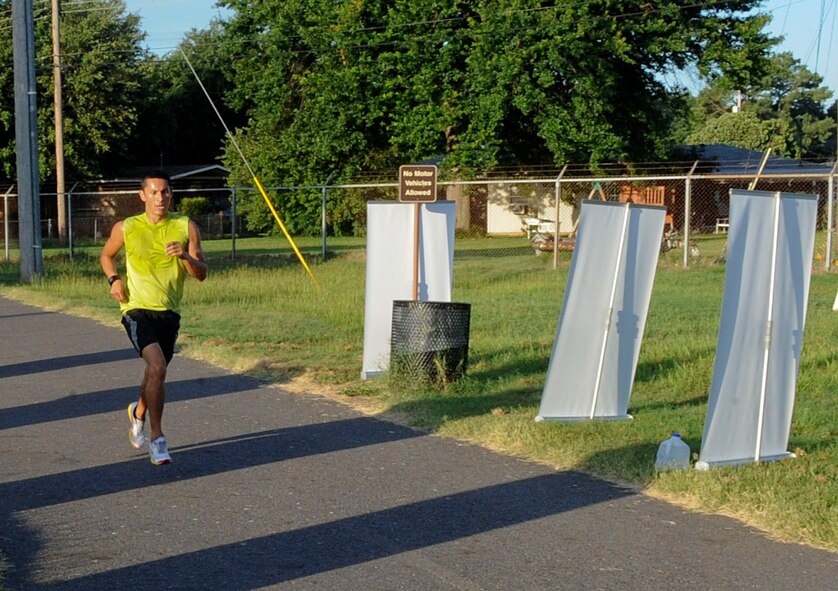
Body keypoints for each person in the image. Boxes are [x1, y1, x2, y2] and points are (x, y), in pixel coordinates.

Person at [100, 170, 208, 465]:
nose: (160, 198)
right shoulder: (127, 227)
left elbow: (201, 273)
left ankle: (138, 412)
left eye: (165, 192)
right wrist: (114, 280)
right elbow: (106, 255)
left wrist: (185, 256)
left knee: (154, 374)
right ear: (142, 195)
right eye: (154, 192)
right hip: (135, 308)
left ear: (170, 195)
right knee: (158, 367)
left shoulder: (185, 226)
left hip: (169, 311)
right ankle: (158, 440)